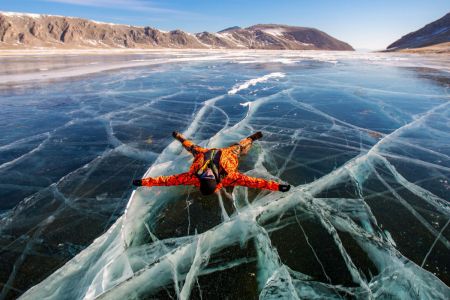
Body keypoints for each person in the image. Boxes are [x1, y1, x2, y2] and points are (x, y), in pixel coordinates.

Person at [132, 131, 291, 195]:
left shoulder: (230, 177)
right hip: (206, 154)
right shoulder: (193, 177)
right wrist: (143, 182)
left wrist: (277, 187)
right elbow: (166, 180)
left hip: (225, 155)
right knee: (191, 147)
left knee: (242, 148)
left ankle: (251, 138)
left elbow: (255, 182)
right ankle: (180, 138)